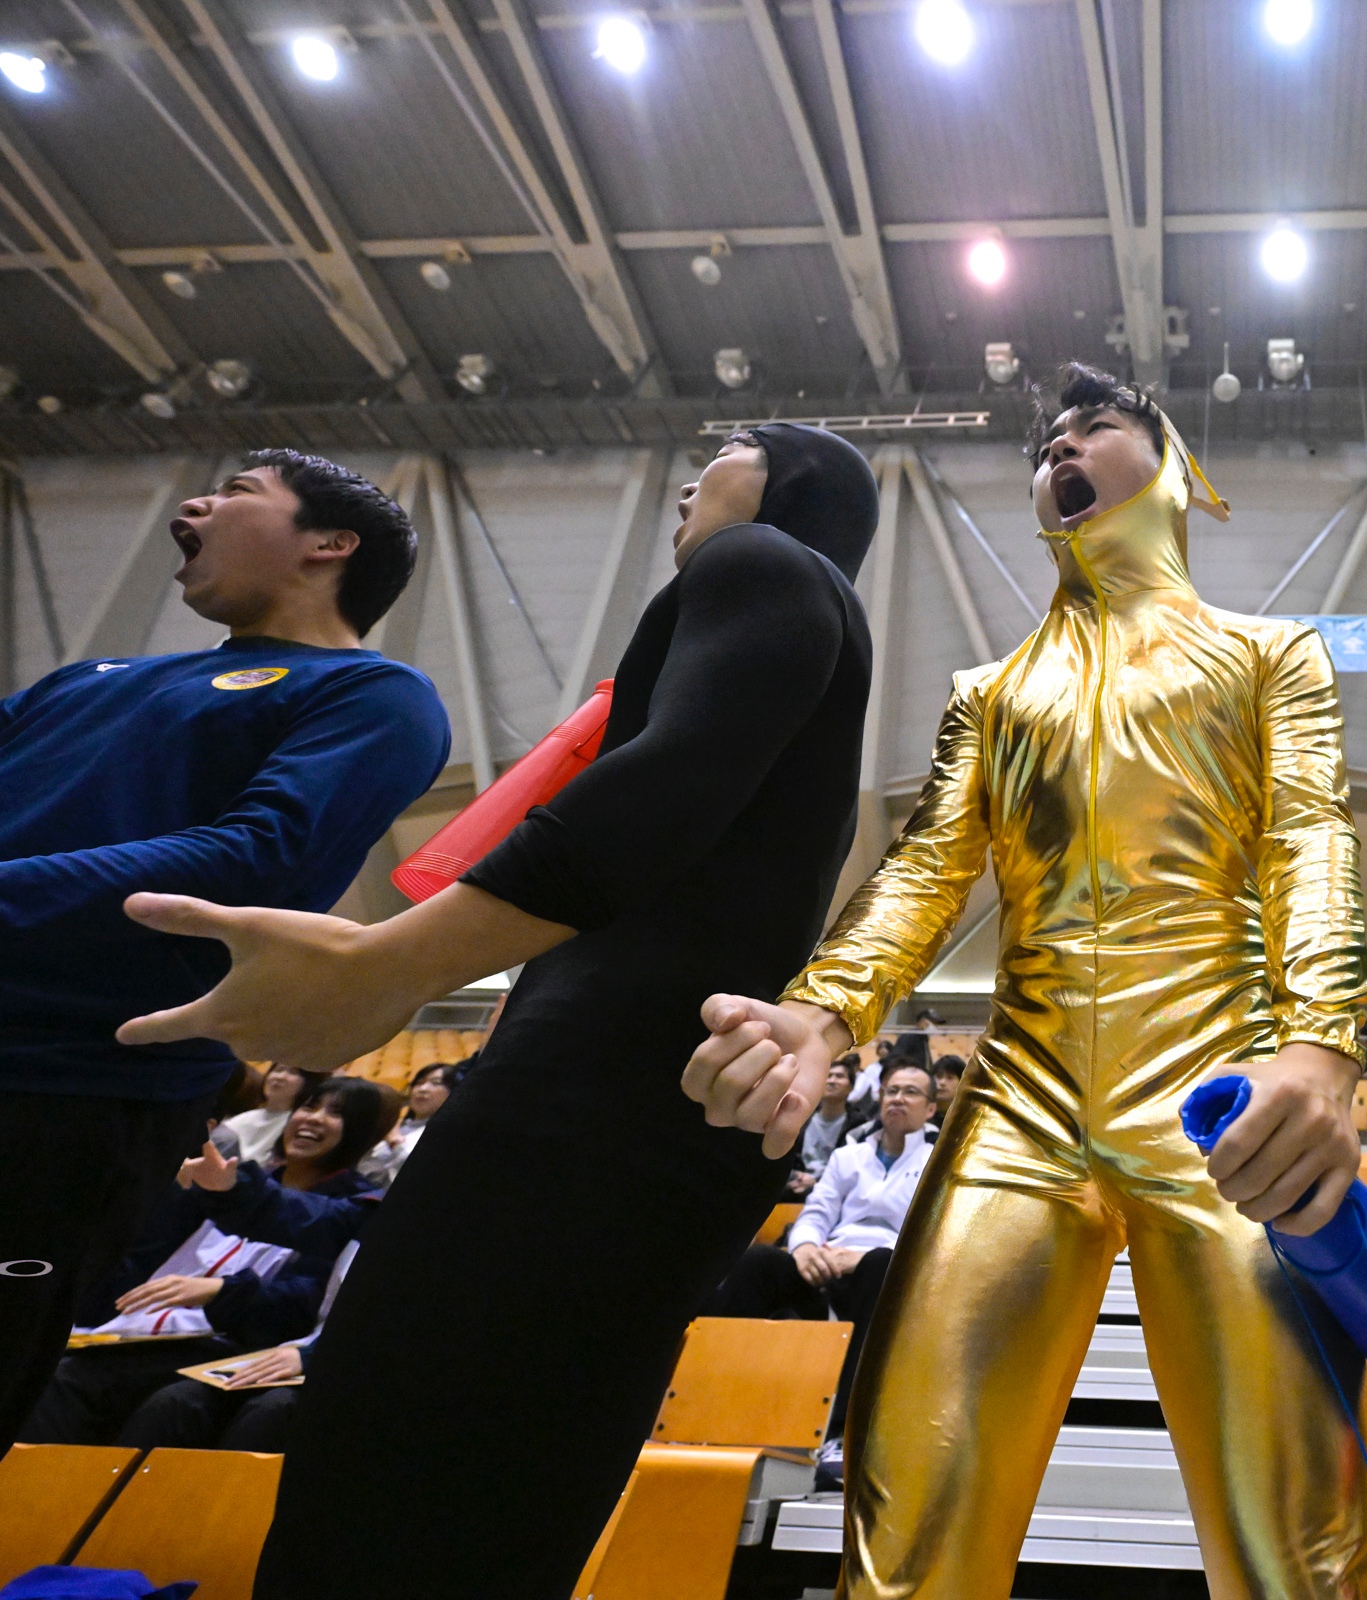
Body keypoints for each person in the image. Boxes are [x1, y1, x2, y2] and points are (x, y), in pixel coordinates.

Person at [113, 424, 883, 1600]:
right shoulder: (811, 628)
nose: (689, 477)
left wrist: (390, 963)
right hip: (658, 1116)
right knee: (516, 1473)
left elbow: (661, 787)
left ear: (795, 485)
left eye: (726, 448)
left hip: (588, 1101)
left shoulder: (761, 561)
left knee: (391, 1436)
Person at [682, 363, 1367, 1598]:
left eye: (1092, 428)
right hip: (1021, 1100)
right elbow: (926, 870)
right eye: (1044, 443)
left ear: (1172, 468)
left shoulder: (1271, 656)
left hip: (1222, 1097)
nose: (1058, 449)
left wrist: (1322, 1045)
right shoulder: (993, 695)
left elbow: (1310, 839)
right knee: (909, 1510)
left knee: (1298, 1543)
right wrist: (824, 1010)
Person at [0, 450, 446, 1445]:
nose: (193, 503)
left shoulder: (375, 693)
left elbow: (256, 855)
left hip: (65, 1089)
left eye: (239, 490)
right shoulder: (87, 679)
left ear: (331, 544)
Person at [18, 1076, 387, 1447]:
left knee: (131, 1392)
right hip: (139, 1326)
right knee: (35, 1356)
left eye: (336, 1113)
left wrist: (221, 1290)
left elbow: (306, 1299)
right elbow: (140, 1260)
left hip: (235, 1338)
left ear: (362, 1134)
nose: (314, 1118)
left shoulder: (352, 1207)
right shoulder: (231, 1176)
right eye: (309, 1106)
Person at [704, 1061, 938, 1485]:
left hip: (886, 1274)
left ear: (931, 1108)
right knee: (757, 1263)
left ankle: (842, 1435)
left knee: (881, 1265)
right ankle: (706, 1408)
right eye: (891, 1090)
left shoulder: (938, 1162)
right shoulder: (849, 1156)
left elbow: (931, 1232)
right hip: (826, 1267)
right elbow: (817, 1212)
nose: (898, 1099)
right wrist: (806, 1248)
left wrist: (864, 1256)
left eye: (910, 1092)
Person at [354, 1061, 455, 1188]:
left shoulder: (451, 1135)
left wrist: (394, 1141)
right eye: (419, 1083)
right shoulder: (398, 1125)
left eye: (436, 1083)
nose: (422, 1089)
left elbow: (421, 1173)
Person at [219, 1063, 327, 1165]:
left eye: (293, 1072)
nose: (280, 1077)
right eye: (278, 1070)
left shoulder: (296, 1124)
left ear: (308, 1083)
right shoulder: (246, 1117)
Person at [790, 1055, 858, 1197]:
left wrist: (817, 1181)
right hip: (796, 1184)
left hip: (835, 1190)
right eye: (828, 1076)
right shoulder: (801, 1117)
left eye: (839, 1076)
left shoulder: (858, 1126)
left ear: (851, 1087)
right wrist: (795, 1176)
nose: (832, 1081)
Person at [927, 1053, 964, 1128]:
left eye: (950, 1077)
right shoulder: (922, 1115)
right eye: (939, 1076)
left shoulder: (970, 1117)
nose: (942, 1082)